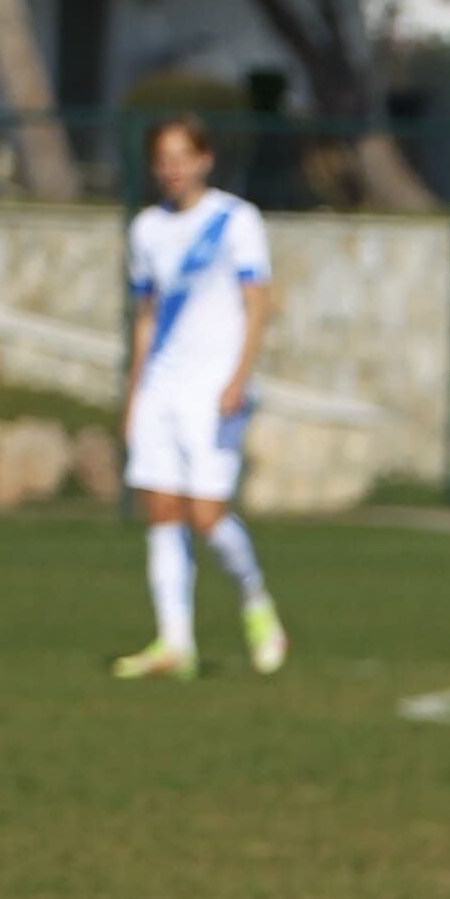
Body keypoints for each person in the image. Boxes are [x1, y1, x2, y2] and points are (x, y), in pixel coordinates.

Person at [112, 116, 287, 682]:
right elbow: (147, 317)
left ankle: (255, 600)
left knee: (207, 515)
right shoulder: (146, 230)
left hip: (215, 389)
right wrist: (135, 394)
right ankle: (175, 642)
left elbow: (257, 303)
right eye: (163, 157)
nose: (172, 168)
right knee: (161, 510)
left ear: (205, 158)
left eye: (182, 155)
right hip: (162, 385)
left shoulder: (235, 221)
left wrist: (239, 376)